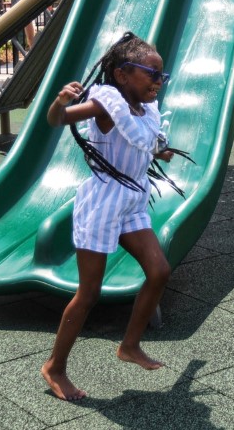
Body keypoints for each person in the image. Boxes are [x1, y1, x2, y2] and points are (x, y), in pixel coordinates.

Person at [41, 33, 181, 401]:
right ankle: (54, 367)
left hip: (133, 200)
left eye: (161, 76)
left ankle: (129, 345)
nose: (158, 82)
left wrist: (160, 152)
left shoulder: (144, 110)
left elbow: (146, 142)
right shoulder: (105, 106)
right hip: (102, 202)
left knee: (159, 271)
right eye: (151, 74)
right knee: (89, 293)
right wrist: (59, 101)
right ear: (121, 75)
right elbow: (57, 120)